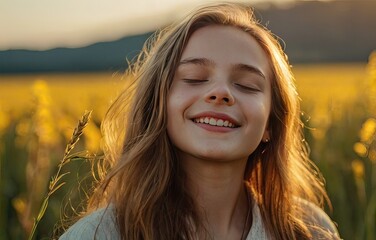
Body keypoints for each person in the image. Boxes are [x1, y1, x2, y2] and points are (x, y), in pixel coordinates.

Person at [60, 2, 340, 239]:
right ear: (158, 104)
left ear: (270, 123)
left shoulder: (309, 229)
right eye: (194, 78)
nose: (220, 93)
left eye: (246, 85)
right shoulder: (98, 234)